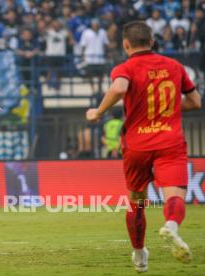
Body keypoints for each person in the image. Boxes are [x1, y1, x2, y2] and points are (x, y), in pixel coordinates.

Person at [86, 21, 201, 273]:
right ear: (152, 42)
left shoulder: (125, 67)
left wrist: (98, 112)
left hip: (137, 145)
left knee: (137, 202)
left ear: (126, 44)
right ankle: (171, 225)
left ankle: (139, 253)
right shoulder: (175, 66)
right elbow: (195, 102)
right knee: (174, 196)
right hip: (170, 142)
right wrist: (167, 108)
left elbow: (119, 87)